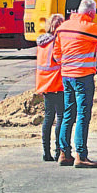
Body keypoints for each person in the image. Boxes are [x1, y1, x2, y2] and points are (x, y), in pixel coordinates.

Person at [54, 0, 97, 168]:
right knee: (83, 115)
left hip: (66, 76)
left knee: (68, 113)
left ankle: (64, 153)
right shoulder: (88, 27)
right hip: (82, 77)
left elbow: (56, 55)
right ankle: (81, 155)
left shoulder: (63, 27)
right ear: (91, 13)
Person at [35, 13, 65, 162]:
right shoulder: (56, 42)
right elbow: (61, 60)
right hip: (57, 84)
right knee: (61, 117)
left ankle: (46, 152)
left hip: (45, 85)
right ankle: (58, 150)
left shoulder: (42, 43)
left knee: (48, 118)